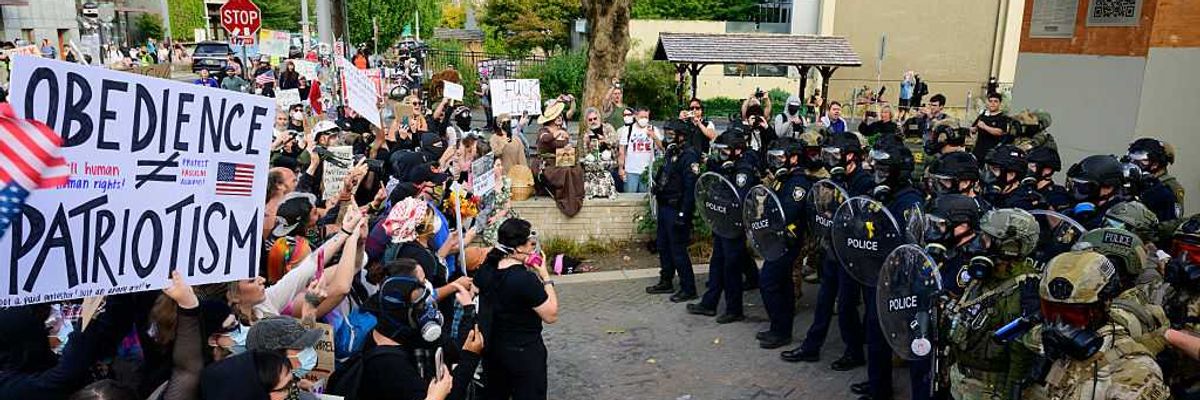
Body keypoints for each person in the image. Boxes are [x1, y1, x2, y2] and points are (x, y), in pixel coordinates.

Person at [327, 258, 478, 400]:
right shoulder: (390, 366)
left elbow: (452, 350)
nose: (427, 311)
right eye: (421, 307)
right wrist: (469, 359)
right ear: (407, 312)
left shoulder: (399, 331)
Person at [781, 132, 868, 369]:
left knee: (847, 307)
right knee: (823, 301)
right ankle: (811, 347)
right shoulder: (837, 179)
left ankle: (854, 352)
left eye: (833, 155)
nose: (828, 160)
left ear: (850, 156)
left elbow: (862, 219)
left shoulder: (863, 181)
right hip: (832, 249)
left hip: (851, 255)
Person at [1032, 250, 1170, 400]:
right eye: (1050, 310)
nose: (1059, 324)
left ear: (1105, 303)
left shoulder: (1131, 370)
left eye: (1072, 314)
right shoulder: (1057, 345)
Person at [944, 208, 1040, 400]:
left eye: (987, 239)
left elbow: (1019, 354)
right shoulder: (986, 274)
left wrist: (1011, 394)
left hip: (989, 389)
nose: (980, 244)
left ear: (1010, 246)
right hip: (962, 379)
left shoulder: (1022, 290)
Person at [474, 218, 559, 400]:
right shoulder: (525, 280)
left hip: (493, 350)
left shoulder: (486, 269)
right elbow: (551, 314)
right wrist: (545, 276)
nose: (533, 248)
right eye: (531, 244)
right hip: (524, 352)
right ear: (519, 248)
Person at [687, 130, 759, 324]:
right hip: (721, 223)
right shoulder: (728, 166)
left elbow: (738, 198)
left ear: (737, 151)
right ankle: (709, 303)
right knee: (717, 263)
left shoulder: (743, 169)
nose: (722, 155)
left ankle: (734, 309)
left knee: (731, 268)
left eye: (725, 151)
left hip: (733, 225)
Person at [754, 138, 815, 349]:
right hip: (777, 239)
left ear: (794, 158)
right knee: (783, 285)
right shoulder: (784, 178)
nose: (775, 162)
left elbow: (787, 213)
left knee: (769, 283)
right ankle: (780, 329)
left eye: (780, 158)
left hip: (787, 241)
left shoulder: (798, 184)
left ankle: (780, 331)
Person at [645, 122, 701, 302]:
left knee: (678, 249)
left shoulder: (689, 156)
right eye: (667, 133)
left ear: (682, 135)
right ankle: (666, 280)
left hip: (677, 208)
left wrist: (684, 214)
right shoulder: (672, 151)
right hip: (665, 206)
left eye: (671, 133)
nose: (668, 136)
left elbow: (690, 188)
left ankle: (688, 287)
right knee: (663, 246)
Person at [1127, 138, 1183, 221]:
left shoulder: (1170, 187)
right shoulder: (1134, 179)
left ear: (1156, 163)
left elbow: (1173, 221)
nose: (1134, 163)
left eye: (1144, 160)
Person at [1066, 154, 1125, 229]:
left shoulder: (1118, 217)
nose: (1077, 191)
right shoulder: (1075, 209)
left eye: (1084, 187)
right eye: (1076, 185)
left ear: (1108, 188)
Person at [981, 145, 1043, 210]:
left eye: (995, 169)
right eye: (988, 168)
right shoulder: (991, 196)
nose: (990, 174)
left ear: (1011, 174)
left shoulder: (1022, 203)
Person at [617, 108, 658, 193]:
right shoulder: (627, 130)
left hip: (647, 172)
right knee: (629, 198)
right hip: (630, 171)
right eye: (641, 117)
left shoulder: (653, 129)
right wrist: (621, 168)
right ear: (635, 116)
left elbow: (662, 148)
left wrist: (654, 137)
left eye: (646, 117)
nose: (644, 119)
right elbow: (622, 151)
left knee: (644, 200)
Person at [1026, 146, 1071, 212]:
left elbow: (1060, 219)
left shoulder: (1057, 195)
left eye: (1032, 166)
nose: (1028, 169)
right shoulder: (1026, 189)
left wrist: (1044, 205)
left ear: (1047, 170)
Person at [970, 92, 1011, 163]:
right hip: (978, 151)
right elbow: (973, 129)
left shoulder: (1002, 118)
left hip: (992, 153)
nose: (992, 103)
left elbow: (999, 132)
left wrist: (985, 127)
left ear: (1000, 103)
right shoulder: (982, 115)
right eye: (990, 101)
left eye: (995, 101)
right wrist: (973, 129)